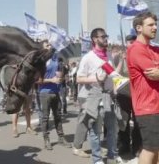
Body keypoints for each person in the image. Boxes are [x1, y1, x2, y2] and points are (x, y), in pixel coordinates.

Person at [127, 11, 159, 164]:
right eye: (150, 25)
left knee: (156, 148)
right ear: (139, 28)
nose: (155, 27)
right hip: (147, 109)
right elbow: (152, 75)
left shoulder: (156, 49)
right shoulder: (135, 49)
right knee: (149, 148)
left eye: (155, 24)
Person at [73, 28, 121, 164]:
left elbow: (112, 75)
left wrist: (115, 88)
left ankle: (112, 155)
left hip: (109, 97)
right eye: (103, 36)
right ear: (95, 39)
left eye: (106, 36)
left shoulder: (109, 56)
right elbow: (79, 78)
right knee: (95, 131)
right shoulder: (88, 57)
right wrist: (96, 78)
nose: (106, 38)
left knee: (112, 129)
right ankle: (97, 159)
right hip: (94, 98)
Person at [37, 45, 71, 150]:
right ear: (43, 48)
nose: (49, 46)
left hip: (56, 92)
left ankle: (61, 138)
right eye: (47, 45)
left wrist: (60, 78)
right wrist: (51, 80)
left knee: (58, 116)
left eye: (50, 45)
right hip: (44, 93)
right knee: (45, 117)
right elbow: (36, 80)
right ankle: (46, 139)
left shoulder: (55, 58)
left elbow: (59, 75)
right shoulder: (40, 61)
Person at [113, 34, 141, 157]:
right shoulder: (118, 57)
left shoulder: (141, 55)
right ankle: (124, 145)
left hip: (138, 94)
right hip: (123, 94)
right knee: (123, 121)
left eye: (133, 42)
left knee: (138, 121)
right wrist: (123, 60)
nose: (131, 45)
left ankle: (137, 146)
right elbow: (114, 74)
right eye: (129, 42)